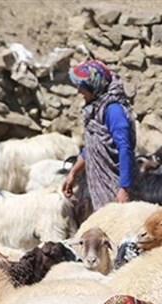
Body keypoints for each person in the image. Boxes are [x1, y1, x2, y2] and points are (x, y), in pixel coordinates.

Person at [61, 59, 137, 210]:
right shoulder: (95, 109)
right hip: (101, 188)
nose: (78, 91)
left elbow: (124, 148)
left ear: (94, 86)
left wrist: (124, 188)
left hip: (115, 186)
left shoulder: (113, 111)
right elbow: (91, 148)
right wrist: (73, 173)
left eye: (82, 86)